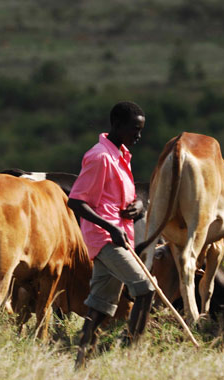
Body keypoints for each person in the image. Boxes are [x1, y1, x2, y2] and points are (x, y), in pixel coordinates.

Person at [67, 101, 155, 369]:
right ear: (117, 125)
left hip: (119, 236)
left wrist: (139, 205)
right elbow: (76, 201)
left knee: (100, 305)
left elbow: (123, 198)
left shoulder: (121, 155)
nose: (138, 136)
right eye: (134, 129)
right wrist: (111, 227)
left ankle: (81, 362)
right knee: (145, 288)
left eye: (141, 130)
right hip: (105, 238)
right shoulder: (100, 157)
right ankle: (131, 353)